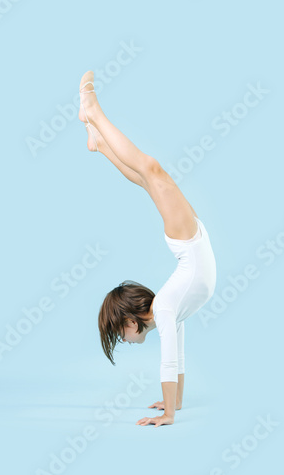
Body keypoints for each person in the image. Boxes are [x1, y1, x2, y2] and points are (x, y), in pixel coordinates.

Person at [79, 71, 217, 427]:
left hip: (188, 240)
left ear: (130, 321)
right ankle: (98, 142)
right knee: (147, 176)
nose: (122, 340)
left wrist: (169, 414)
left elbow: (168, 360)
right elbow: (179, 356)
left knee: (150, 170)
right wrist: (177, 404)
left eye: (118, 334)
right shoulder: (171, 310)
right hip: (191, 239)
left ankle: (94, 114)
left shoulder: (167, 307)